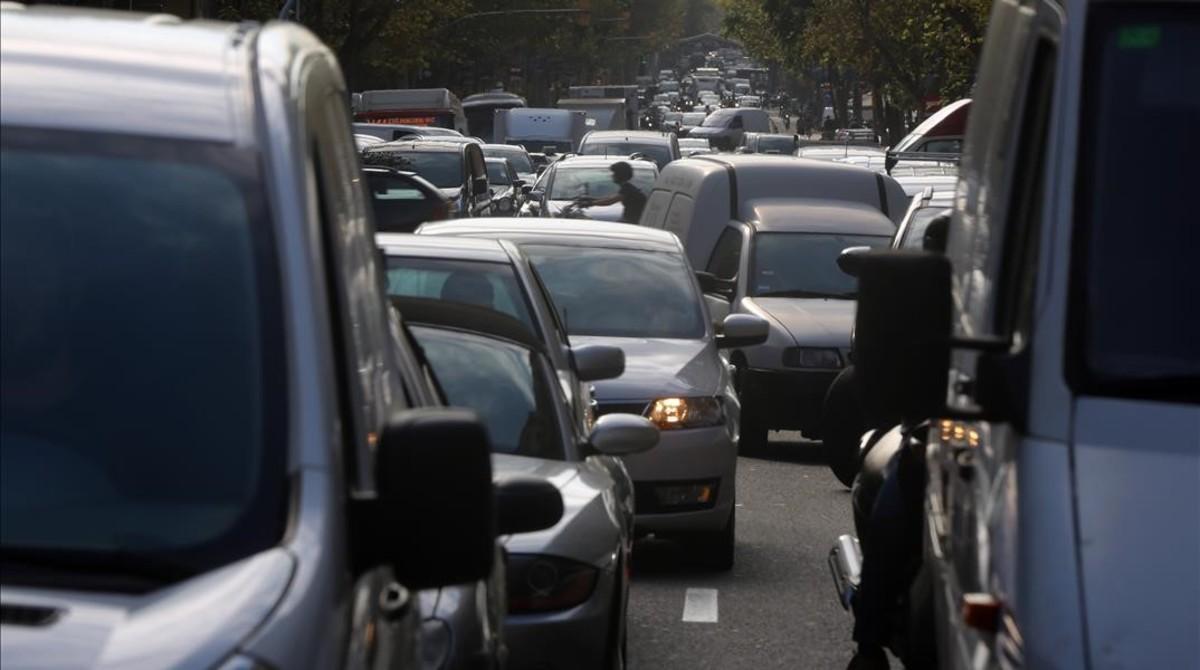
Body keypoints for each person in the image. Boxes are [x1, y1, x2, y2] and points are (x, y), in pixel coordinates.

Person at [577, 161, 647, 224]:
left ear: (619, 175)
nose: (612, 176)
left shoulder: (627, 189)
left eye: (614, 173)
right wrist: (591, 199)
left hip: (634, 222)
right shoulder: (627, 188)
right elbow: (610, 198)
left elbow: (609, 201)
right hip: (632, 220)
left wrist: (590, 203)